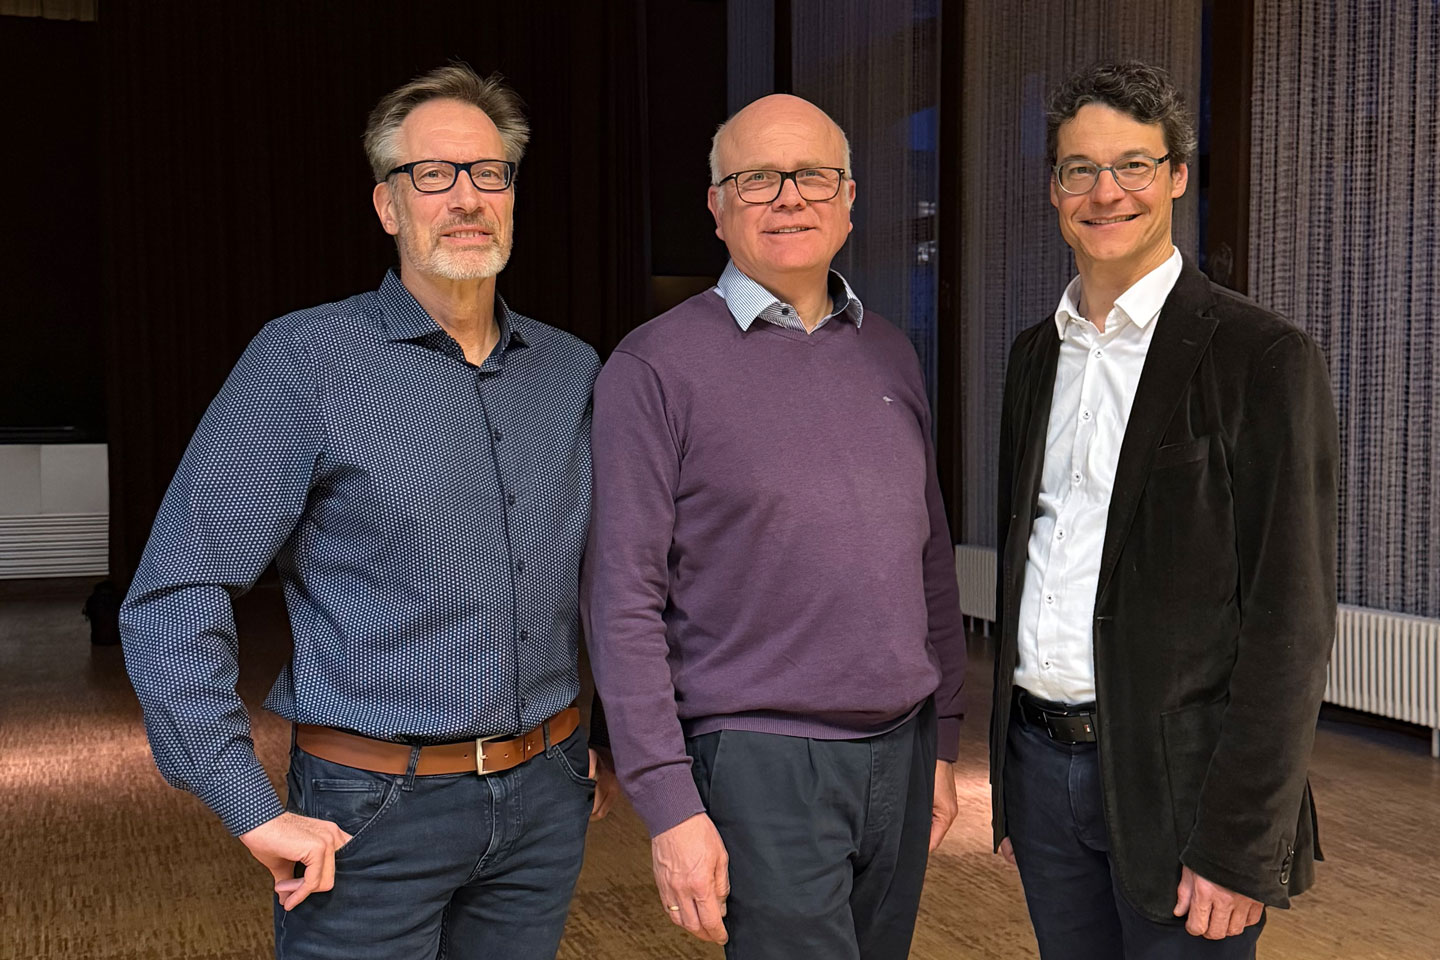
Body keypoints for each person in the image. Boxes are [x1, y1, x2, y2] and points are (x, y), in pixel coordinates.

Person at [120, 64, 616, 960]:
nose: (465, 197)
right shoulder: (305, 360)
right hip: (371, 810)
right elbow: (176, 590)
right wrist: (245, 802)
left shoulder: (572, 370)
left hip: (547, 799)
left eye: (489, 172)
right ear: (389, 205)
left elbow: (626, 576)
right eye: (432, 174)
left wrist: (610, 741)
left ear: (512, 196)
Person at [583, 93, 966, 959]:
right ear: (717, 207)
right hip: (761, 757)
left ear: (849, 199)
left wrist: (943, 737)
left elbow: (929, 558)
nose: (789, 197)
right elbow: (622, 599)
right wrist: (667, 802)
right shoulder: (653, 366)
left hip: (903, 750)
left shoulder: (890, 352)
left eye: (813, 176)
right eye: (757, 179)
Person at [991, 60, 1338, 959]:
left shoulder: (1261, 357)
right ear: (1054, 189)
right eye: (1080, 169)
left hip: (1185, 796)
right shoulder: (1034, 357)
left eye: (1134, 166)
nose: (1106, 192)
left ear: (1177, 176)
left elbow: (1291, 622)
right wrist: (1011, 781)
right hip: (1039, 770)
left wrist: (1239, 845)